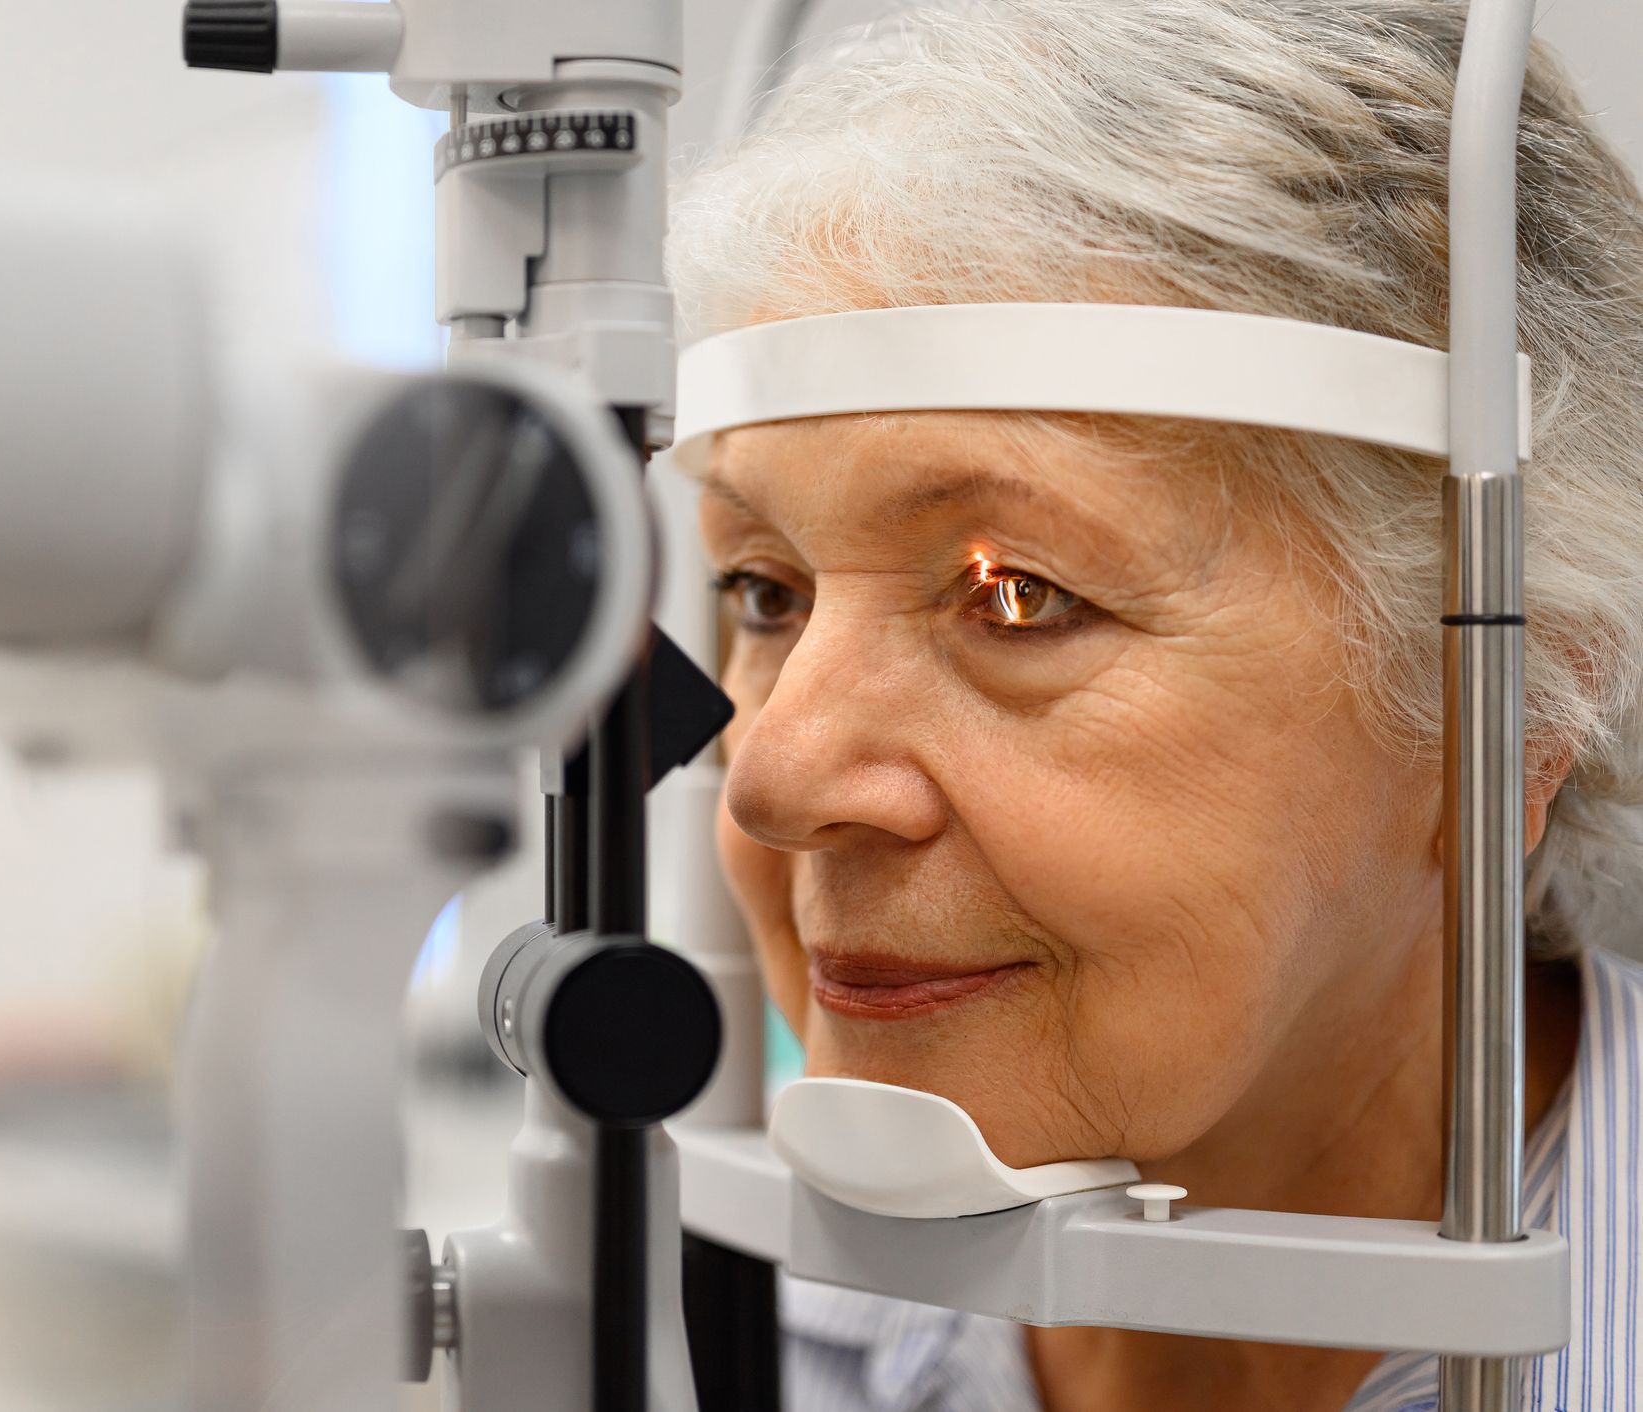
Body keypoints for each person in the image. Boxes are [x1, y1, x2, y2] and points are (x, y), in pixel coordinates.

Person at [666, 2, 1643, 1408]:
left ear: (1512, 705)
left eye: (1019, 596)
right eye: (767, 591)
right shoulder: (709, 1336)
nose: (772, 771)